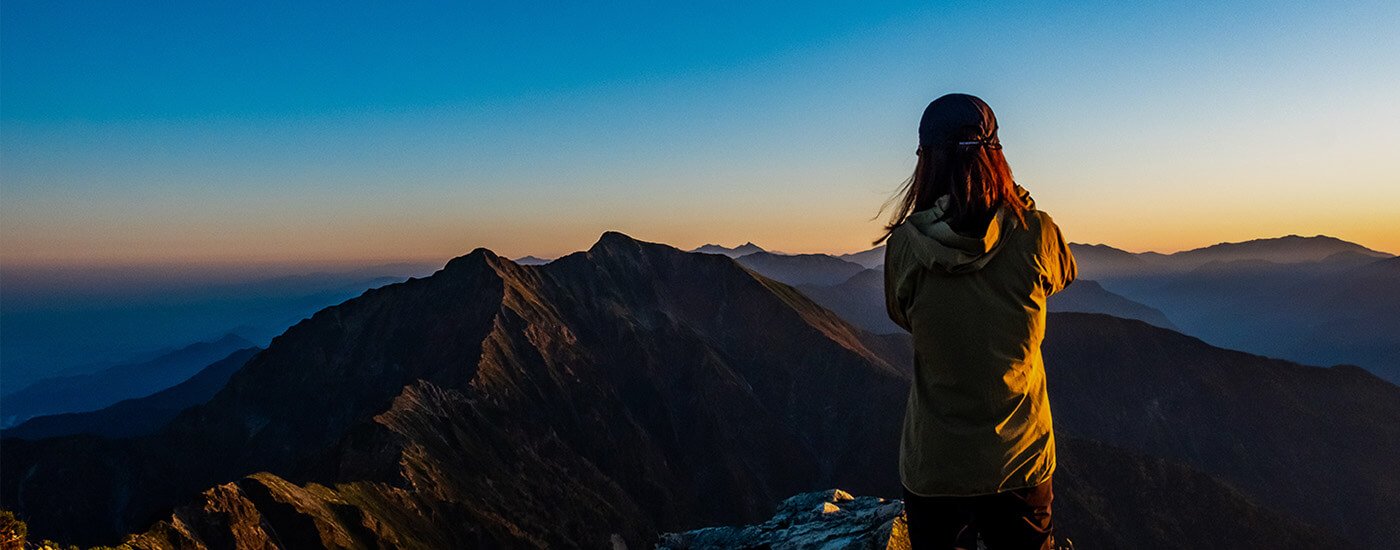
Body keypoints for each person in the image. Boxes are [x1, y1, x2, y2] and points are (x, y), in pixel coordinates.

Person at [878, 93, 1076, 550]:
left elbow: (900, 312)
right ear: (997, 154)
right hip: (1020, 459)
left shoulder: (906, 246)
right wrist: (1018, 206)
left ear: (926, 160)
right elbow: (1062, 274)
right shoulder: (1037, 231)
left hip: (936, 465)